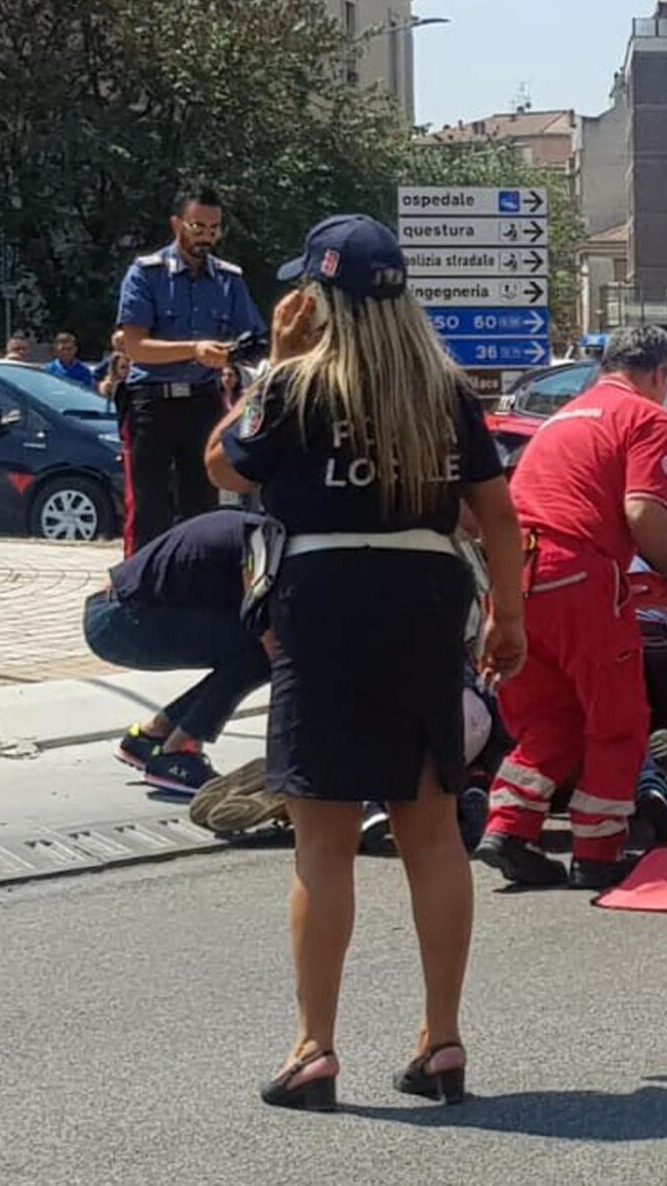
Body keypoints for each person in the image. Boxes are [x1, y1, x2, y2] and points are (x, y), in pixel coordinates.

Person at [205, 213, 525, 1113]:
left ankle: (314, 1048)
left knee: (324, 839)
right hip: (426, 596)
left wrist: (270, 360)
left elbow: (223, 467)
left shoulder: (296, 386)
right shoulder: (447, 390)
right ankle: (443, 1037)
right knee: (430, 826)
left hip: (326, 598)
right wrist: (510, 615)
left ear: (319, 295)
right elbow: (498, 517)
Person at [477, 325, 667, 892]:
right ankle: (598, 851)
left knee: (553, 719)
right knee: (617, 719)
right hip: (579, 575)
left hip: (517, 577)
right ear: (661, 373)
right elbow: (644, 509)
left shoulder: (564, 416)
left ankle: (508, 827)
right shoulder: (648, 418)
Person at [116, 186, 266, 552]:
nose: (206, 237)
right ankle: (139, 589)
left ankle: (194, 586)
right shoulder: (146, 274)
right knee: (148, 507)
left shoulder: (229, 280)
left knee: (201, 506)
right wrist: (195, 350)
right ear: (177, 224)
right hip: (152, 402)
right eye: (197, 227)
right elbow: (135, 346)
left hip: (202, 401)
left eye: (214, 229)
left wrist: (233, 353)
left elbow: (255, 339)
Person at [89, 508, 274, 794]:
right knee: (261, 652)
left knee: (251, 650)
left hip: (116, 611)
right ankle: (178, 753)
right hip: (119, 617)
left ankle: (153, 735)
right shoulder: (263, 539)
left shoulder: (257, 529)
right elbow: (265, 629)